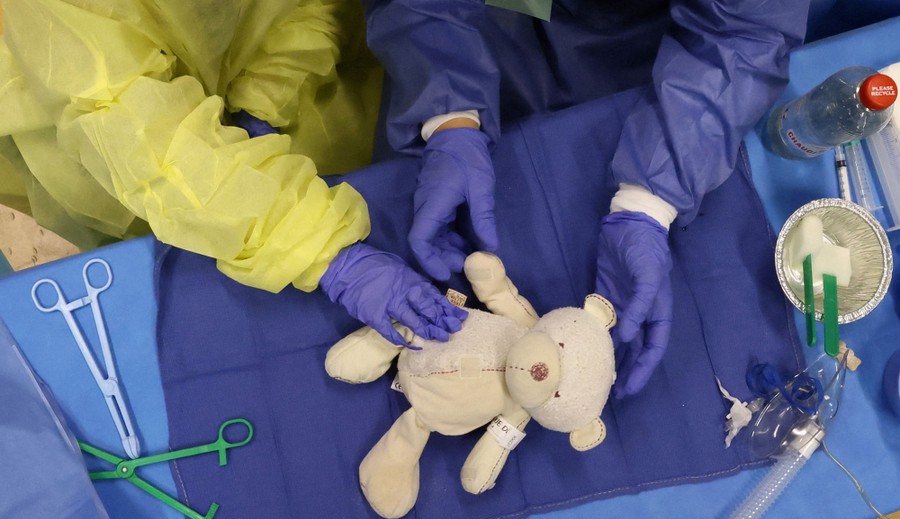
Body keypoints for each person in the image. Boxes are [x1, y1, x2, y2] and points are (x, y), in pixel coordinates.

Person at [364, 0, 811, 393]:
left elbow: (745, 31)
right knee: (406, 225)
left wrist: (648, 202)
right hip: (472, 22)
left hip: (639, 45)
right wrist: (449, 115)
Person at [0, 0, 465, 346]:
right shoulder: (60, 19)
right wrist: (328, 255)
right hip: (99, 117)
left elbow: (303, 7)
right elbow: (143, 147)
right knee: (184, 253)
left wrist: (266, 91)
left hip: (250, 73)